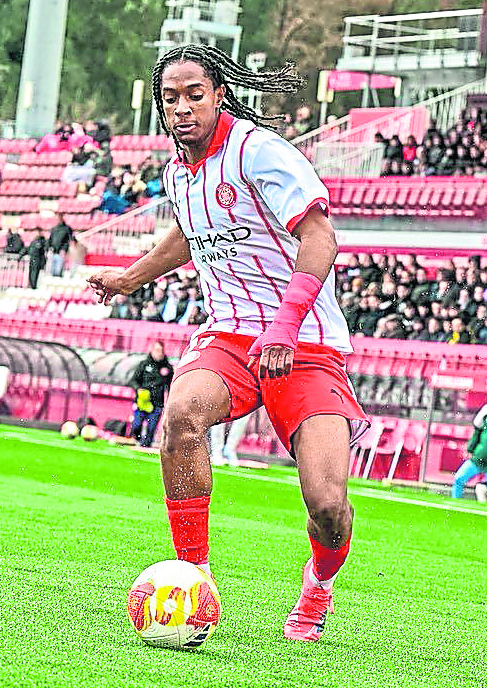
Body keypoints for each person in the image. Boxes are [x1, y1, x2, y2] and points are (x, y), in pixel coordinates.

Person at [86, 44, 364, 643]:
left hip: (305, 338)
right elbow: (189, 233)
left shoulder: (259, 151)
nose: (182, 108)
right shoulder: (177, 170)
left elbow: (320, 236)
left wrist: (286, 324)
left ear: (220, 95)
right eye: (171, 98)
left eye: (195, 95)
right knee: (182, 413)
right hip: (228, 335)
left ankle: (319, 583)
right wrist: (130, 277)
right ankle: (194, 577)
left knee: (328, 504)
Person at [129, 338, 175, 448]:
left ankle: (145, 446)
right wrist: (138, 389)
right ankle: (136, 439)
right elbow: (133, 380)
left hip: (157, 403)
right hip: (142, 401)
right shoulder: (144, 364)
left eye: (160, 351)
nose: (158, 353)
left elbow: (170, 386)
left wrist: (170, 401)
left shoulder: (167, 368)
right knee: (137, 425)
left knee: (151, 428)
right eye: (156, 350)